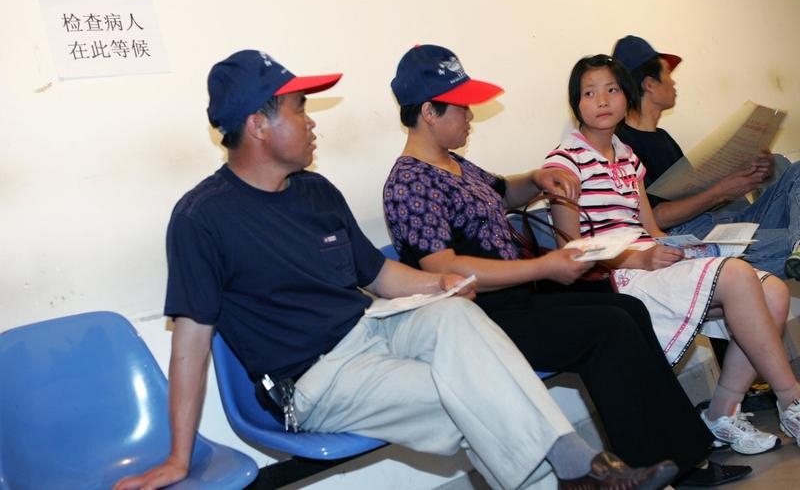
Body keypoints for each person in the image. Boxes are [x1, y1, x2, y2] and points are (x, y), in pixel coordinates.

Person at [112, 49, 677, 490]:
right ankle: (581, 468)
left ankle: (579, 469)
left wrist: (442, 283)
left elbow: (380, 278)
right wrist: (179, 456)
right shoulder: (203, 218)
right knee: (470, 394)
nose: (312, 124)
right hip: (314, 378)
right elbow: (191, 340)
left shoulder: (315, 191)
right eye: (299, 109)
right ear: (258, 124)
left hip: (374, 328)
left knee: (457, 316)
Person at [382, 44, 749, 486]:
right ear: (429, 111)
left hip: (517, 300)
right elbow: (446, 271)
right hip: (479, 318)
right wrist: (543, 268)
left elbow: (504, 192)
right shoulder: (410, 182)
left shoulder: (453, 164)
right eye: (461, 106)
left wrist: (538, 179)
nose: (470, 116)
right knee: (607, 328)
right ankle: (650, 470)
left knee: (628, 310)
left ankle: (683, 459)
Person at [545, 53, 800, 458]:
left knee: (774, 292)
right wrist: (636, 259)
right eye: (589, 93)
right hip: (619, 276)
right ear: (576, 103)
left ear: (626, 96)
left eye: (611, 89)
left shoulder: (628, 157)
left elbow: (653, 230)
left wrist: (689, 249)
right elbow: (570, 251)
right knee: (737, 275)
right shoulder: (564, 163)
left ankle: (721, 413)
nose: (602, 100)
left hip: (653, 261)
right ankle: (792, 401)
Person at [610, 35, 800, 280]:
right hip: (692, 234)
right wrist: (722, 190)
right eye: (667, 74)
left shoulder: (663, 137)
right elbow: (656, 217)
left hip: (726, 220)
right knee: (786, 240)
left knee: (795, 170)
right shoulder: (624, 144)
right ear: (649, 84)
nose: (673, 83)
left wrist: (747, 173)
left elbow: (693, 193)